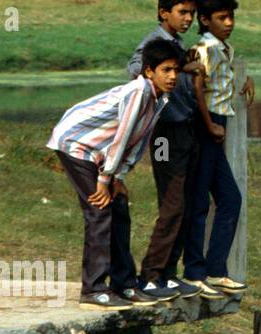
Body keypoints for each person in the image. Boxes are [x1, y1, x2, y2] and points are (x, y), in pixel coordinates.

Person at [47, 39, 181, 309]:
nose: (173, 76)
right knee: (100, 210)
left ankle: (125, 284)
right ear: (148, 71)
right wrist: (105, 179)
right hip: (77, 143)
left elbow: (139, 139)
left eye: (176, 70)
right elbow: (122, 136)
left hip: (98, 152)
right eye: (166, 70)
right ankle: (93, 288)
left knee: (119, 207)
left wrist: (118, 178)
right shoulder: (139, 92)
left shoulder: (160, 98)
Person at [127, 0, 206, 301]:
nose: (188, 18)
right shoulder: (156, 42)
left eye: (192, 13)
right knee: (172, 205)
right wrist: (182, 66)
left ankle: (168, 273)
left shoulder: (176, 41)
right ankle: (150, 274)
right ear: (164, 13)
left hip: (185, 130)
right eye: (182, 12)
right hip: (165, 135)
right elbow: (135, 71)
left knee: (183, 205)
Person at [186, 0, 253, 295]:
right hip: (205, 126)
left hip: (217, 125)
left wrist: (244, 78)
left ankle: (216, 270)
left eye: (231, 17)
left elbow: (223, 78)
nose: (229, 23)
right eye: (222, 18)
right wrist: (210, 124)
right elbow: (197, 86)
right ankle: (193, 273)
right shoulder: (203, 49)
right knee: (199, 201)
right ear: (205, 20)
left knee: (230, 199)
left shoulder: (225, 49)